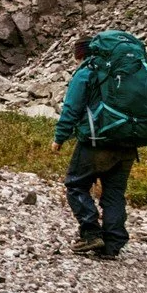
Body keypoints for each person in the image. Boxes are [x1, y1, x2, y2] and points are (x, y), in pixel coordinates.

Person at [51, 37, 139, 260]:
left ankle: (91, 233)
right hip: (128, 142)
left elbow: (72, 107)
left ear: (79, 55)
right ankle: (112, 245)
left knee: (76, 185)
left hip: (96, 141)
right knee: (114, 194)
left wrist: (60, 137)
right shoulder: (125, 72)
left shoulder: (87, 72)